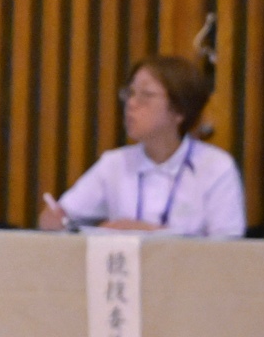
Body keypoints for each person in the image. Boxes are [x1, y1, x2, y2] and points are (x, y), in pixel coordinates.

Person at [38, 56, 246, 237]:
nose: (131, 103)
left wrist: (144, 231)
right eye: (130, 93)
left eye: (146, 95)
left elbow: (229, 246)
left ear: (179, 110)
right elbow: (57, 216)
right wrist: (55, 220)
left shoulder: (216, 167)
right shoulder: (114, 163)